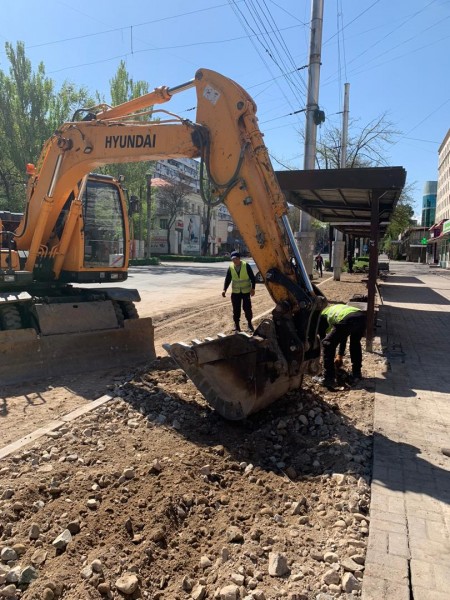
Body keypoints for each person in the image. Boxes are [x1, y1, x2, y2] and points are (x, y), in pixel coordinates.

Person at [317, 303, 367, 388]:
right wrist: (339, 355)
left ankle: (328, 378)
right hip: (361, 317)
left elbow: (324, 341)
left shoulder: (321, 317)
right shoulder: (331, 311)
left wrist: (324, 358)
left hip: (348, 318)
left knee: (327, 344)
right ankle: (356, 374)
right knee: (355, 344)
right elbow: (342, 336)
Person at [222, 251, 256, 332]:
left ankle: (249, 324)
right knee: (236, 309)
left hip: (246, 292)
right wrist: (224, 290)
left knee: (247, 308)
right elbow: (228, 279)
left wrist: (253, 288)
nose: (234, 261)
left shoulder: (246, 265)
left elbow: (252, 278)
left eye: (236, 259)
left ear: (239, 258)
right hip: (235, 292)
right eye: (233, 259)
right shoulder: (231, 267)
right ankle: (237, 326)